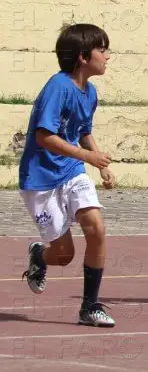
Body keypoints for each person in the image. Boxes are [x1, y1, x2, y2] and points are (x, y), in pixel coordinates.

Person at [19, 23, 117, 327]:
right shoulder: (57, 87)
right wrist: (89, 156)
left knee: (96, 229)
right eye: (102, 49)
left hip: (72, 171)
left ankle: (90, 307)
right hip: (40, 178)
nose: (108, 56)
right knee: (64, 256)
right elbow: (44, 137)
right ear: (82, 57)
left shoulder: (90, 92)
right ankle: (40, 256)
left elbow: (83, 131)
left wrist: (101, 164)